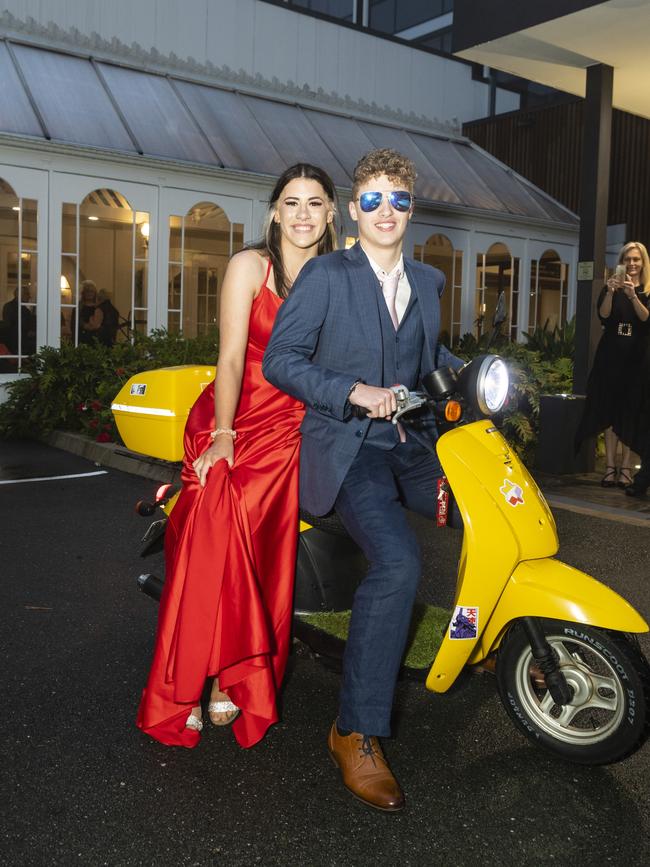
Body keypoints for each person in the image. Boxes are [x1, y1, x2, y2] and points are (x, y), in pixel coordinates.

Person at [263, 148, 464, 812]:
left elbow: (430, 356)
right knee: (400, 564)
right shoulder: (327, 275)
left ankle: (483, 635)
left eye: (398, 200)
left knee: (488, 510)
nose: (386, 212)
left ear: (412, 208)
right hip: (353, 452)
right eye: (373, 200)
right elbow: (281, 360)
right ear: (355, 209)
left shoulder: (430, 281)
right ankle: (355, 728)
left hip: (414, 444)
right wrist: (350, 389)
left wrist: (486, 373)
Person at [136, 164, 337, 749]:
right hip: (233, 413)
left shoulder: (338, 276)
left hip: (294, 425)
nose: (302, 214)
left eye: (315, 203)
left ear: (331, 215)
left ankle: (235, 674)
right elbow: (228, 357)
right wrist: (223, 435)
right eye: (291, 202)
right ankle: (189, 679)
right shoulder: (251, 266)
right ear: (274, 211)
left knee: (259, 541)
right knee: (212, 522)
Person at [575, 242, 650, 487]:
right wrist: (609, 291)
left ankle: (626, 468)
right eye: (628, 259)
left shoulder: (647, 289)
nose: (632, 263)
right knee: (609, 408)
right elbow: (604, 316)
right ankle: (609, 467)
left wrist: (633, 296)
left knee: (630, 411)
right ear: (622, 261)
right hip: (610, 356)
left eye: (637, 259)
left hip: (636, 358)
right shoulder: (613, 287)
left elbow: (646, 319)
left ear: (643, 262)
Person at [2, 286, 36, 355]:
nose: (29, 296)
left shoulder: (25, 310)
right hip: (16, 345)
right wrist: (28, 332)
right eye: (27, 294)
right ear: (19, 295)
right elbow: (10, 326)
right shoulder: (9, 307)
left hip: (22, 343)